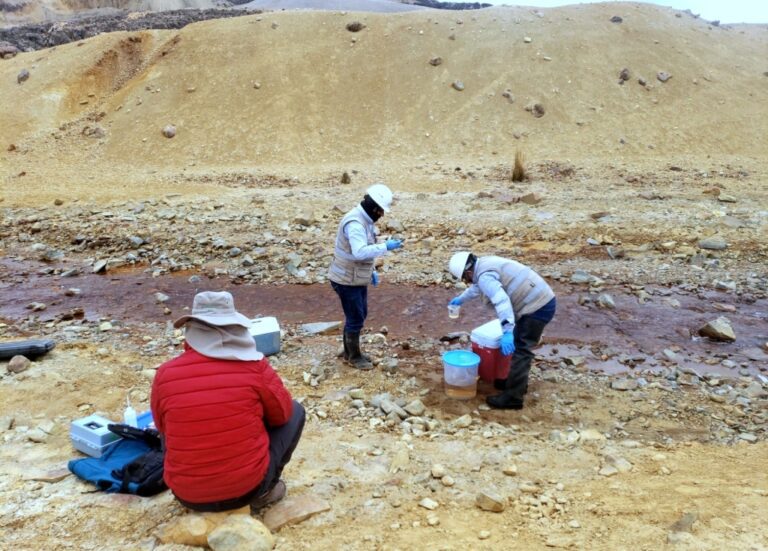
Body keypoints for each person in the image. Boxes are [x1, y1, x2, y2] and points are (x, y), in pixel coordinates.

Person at [150, 291, 305, 513]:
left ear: (191, 330)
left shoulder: (165, 373)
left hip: (186, 495)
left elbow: (162, 427)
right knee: (296, 411)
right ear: (235, 327)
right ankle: (264, 491)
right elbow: (282, 414)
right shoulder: (254, 365)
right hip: (245, 491)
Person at [447, 252, 556, 410]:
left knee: (521, 349)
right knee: (520, 344)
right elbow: (478, 287)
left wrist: (506, 331)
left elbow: (502, 301)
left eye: (465, 279)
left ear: (468, 272)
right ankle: (516, 384)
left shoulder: (484, 276)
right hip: (540, 299)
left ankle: (513, 398)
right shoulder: (483, 264)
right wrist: (461, 299)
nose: (467, 282)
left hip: (537, 306)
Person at [328, 183, 403, 370]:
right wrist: (386, 247)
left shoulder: (364, 221)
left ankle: (349, 351)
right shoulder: (355, 224)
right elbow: (360, 252)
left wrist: (372, 271)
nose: (382, 215)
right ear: (373, 207)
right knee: (355, 317)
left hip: (355, 277)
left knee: (358, 314)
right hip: (346, 279)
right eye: (380, 211)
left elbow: (364, 251)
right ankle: (353, 356)